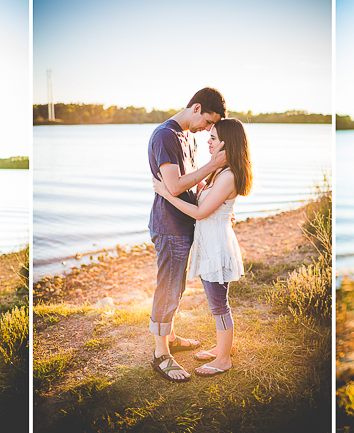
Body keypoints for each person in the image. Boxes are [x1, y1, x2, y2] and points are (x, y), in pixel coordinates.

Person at [153, 117, 252, 377]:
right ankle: (220, 350)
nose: (208, 141)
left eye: (214, 139)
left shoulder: (228, 176)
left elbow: (199, 212)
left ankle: (223, 360)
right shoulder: (219, 172)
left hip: (217, 248)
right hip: (210, 245)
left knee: (219, 305)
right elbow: (205, 200)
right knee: (216, 303)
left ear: (227, 144)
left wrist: (166, 194)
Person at [147, 87, 228, 382]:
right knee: (168, 286)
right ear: (196, 108)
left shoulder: (186, 137)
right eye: (208, 121)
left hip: (183, 224)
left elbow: (190, 183)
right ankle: (160, 355)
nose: (208, 128)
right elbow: (175, 186)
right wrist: (213, 165)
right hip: (168, 226)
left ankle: (169, 336)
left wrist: (216, 201)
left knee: (176, 286)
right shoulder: (165, 135)